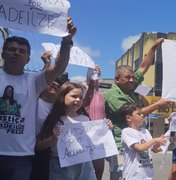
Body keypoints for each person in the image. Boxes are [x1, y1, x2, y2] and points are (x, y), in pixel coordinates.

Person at [0, 17, 77, 180]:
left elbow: (59, 67)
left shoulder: (34, 80)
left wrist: (67, 41)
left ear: (28, 58)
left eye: (22, 51)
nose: (16, 53)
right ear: (3, 54)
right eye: (12, 49)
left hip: (21, 157)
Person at [104, 38, 170, 179]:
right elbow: (132, 114)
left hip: (139, 139)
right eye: (128, 78)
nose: (132, 80)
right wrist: (157, 105)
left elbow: (143, 67)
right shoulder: (112, 95)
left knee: (141, 171)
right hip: (121, 145)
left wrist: (153, 47)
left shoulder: (131, 85)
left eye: (133, 78)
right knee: (120, 175)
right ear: (117, 79)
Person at [36, 82, 113, 180]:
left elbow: (92, 142)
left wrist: (105, 130)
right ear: (62, 96)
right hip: (61, 166)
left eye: (80, 97)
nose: (78, 100)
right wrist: (53, 138)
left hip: (84, 166)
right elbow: (38, 145)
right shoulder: (54, 119)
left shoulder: (85, 119)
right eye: (74, 96)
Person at [120, 102, 167, 179]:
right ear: (129, 118)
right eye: (139, 114)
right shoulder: (126, 131)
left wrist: (166, 141)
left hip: (148, 175)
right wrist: (155, 140)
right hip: (134, 176)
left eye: (142, 113)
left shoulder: (145, 131)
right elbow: (139, 148)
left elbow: (154, 149)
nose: (142, 115)